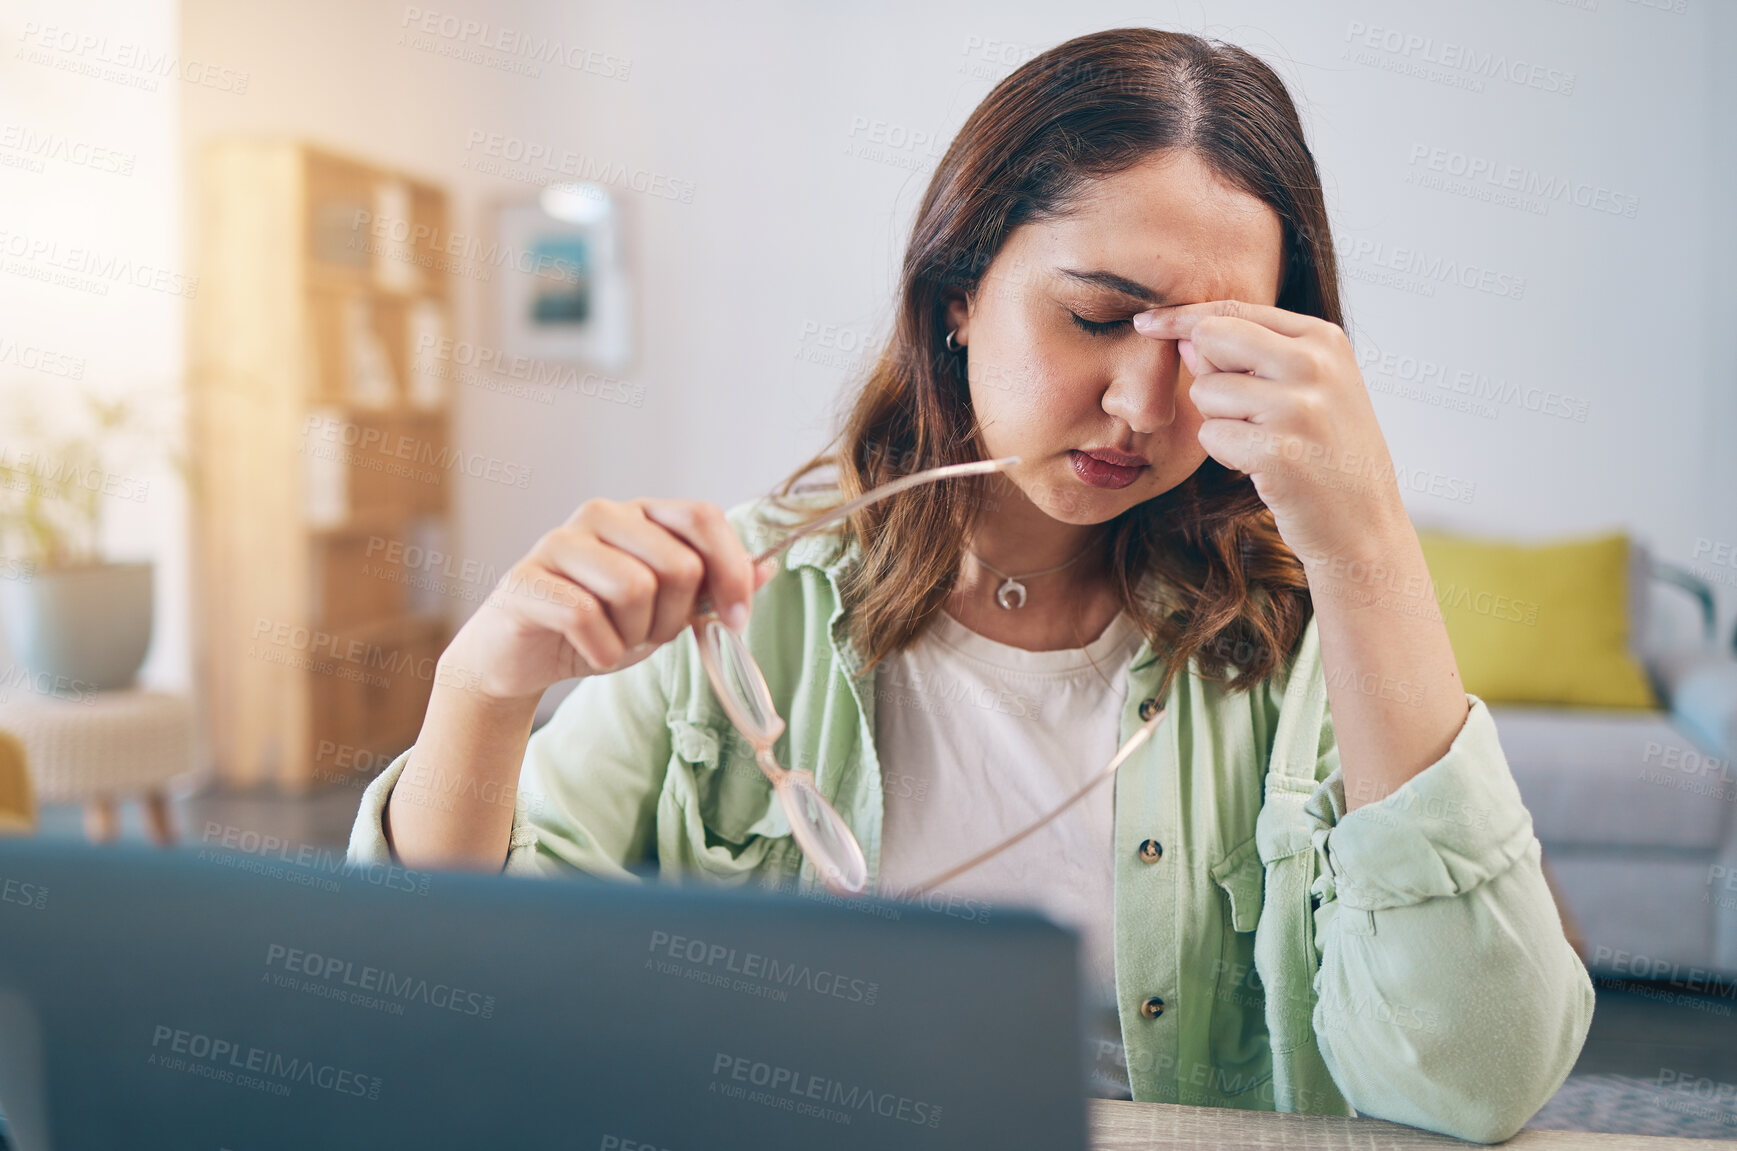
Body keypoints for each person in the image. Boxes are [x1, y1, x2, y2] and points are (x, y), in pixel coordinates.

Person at [348, 26, 1593, 1142]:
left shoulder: (1309, 633)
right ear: (960, 298)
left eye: (1213, 351)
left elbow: (1475, 1082)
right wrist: (481, 686)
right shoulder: (749, 600)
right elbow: (447, 1001)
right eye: (1101, 318)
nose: (1144, 409)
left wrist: (1367, 543)